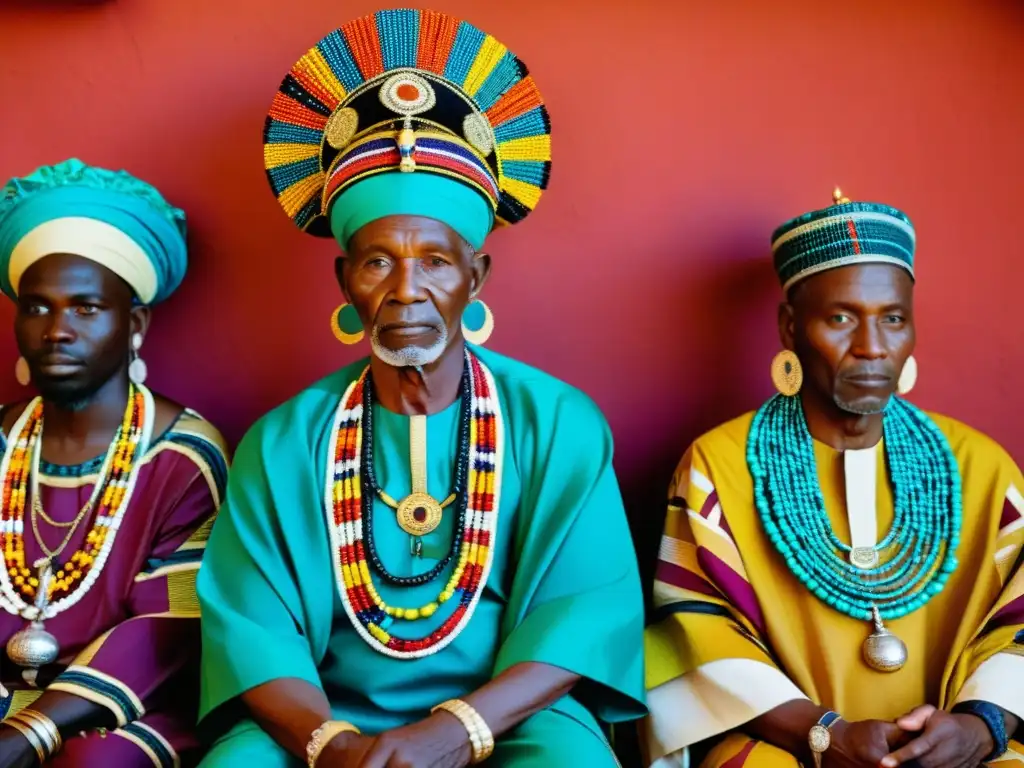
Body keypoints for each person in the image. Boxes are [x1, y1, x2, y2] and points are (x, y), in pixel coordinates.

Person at [195, 8, 646, 767]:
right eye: (378, 263)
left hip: (509, 717)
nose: (408, 290)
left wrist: (456, 729)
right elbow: (252, 628)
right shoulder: (284, 441)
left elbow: (585, 610)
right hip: (323, 719)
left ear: (475, 276)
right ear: (346, 281)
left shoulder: (556, 421)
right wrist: (331, 744)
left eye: (435, 262)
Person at [642, 188, 1024, 768]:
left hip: (958, 748)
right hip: (785, 745)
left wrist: (981, 725)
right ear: (791, 327)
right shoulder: (719, 465)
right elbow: (697, 628)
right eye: (841, 318)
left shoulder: (981, 468)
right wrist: (824, 734)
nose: (872, 348)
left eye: (893, 319)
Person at [0, 159, 229, 767]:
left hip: (121, 712)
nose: (56, 330)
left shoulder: (181, 457)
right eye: (38, 307)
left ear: (134, 324)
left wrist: (30, 732)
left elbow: (167, 629)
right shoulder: (2, 443)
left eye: (85, 308)